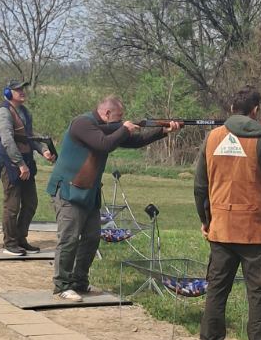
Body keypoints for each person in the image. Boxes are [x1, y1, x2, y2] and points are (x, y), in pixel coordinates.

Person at [194, 85, 261, 340]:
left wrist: (205, 220)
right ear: (256, 111)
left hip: (221, 227)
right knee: (257, 294)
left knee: (217, 290)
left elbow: (200, 186)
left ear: (231, 109)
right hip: (253, 231)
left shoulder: (213, 137)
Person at [48, 96, 182, 300]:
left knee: (92, 238)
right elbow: (103, 145)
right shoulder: (82, 123)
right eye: (119, 117)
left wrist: (163, 131)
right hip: (68, 190)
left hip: (88, 192)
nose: (122, 120)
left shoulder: (106, 128)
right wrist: (125, 128)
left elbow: (136, 142)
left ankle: (79, 281)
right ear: (107, 113)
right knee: (69, 239)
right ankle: (62, 285)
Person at [0, 83, 55, 257]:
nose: (22, 92)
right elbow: (7, 140)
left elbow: (28, 137)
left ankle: (21, 238)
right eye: (18, 90)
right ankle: (10, 243)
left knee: (30, 203)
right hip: (11, 163)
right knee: (12, 205)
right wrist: (20, 164)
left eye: (23, 89)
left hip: (26, 163)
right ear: (8, 93)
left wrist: (43, 150)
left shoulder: (24, 111)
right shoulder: (4, 112)